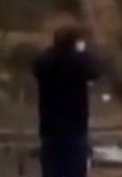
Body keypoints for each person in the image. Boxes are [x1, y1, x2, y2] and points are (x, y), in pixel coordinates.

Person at [33, 25, 101, 177]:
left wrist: (53, 49)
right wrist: (83, 51)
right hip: (75, 129)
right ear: (74, 43)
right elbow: (95, 71)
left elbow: (37, 64)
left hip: (49, 130)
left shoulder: (45, 63)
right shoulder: (79, 63)